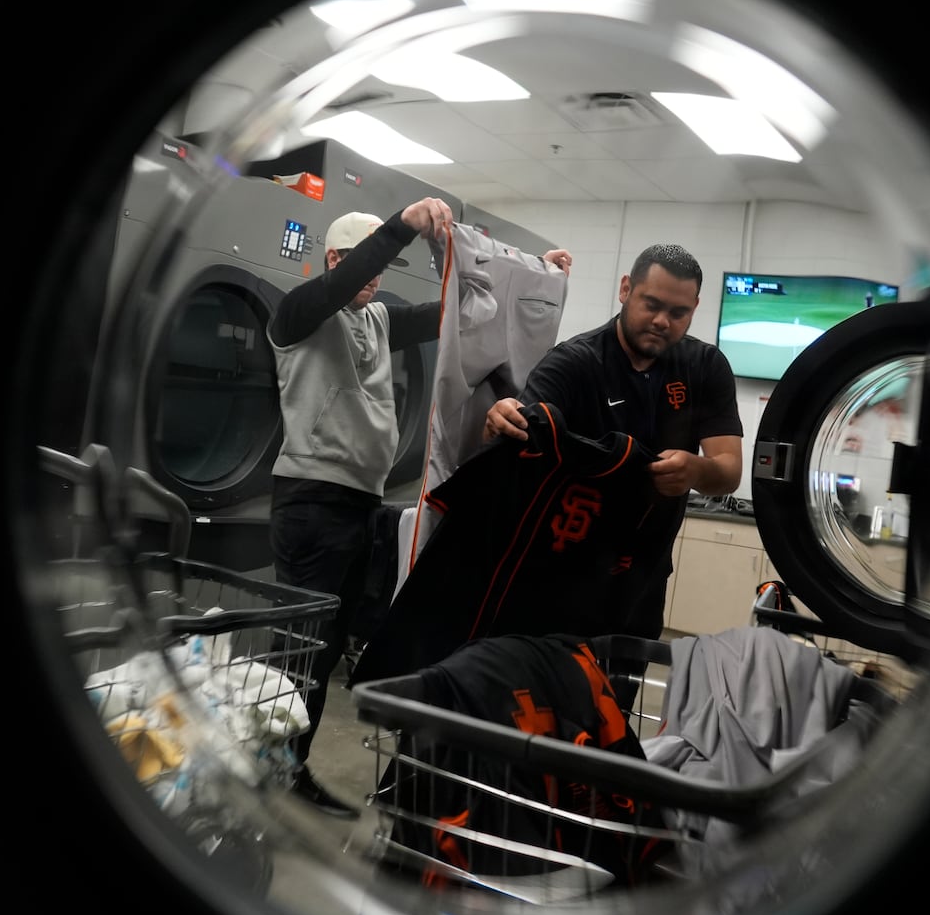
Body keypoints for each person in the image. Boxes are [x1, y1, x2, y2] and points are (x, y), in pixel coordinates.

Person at [268, 197, 570, 818]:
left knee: (323, 650)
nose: (372, 279)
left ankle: (288, 768)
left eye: (375, 271)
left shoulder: (379, 319)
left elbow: (458, 315)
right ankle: (268, 770)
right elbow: (343, 284)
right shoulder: (298, 316)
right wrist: (400, 229)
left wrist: (531, 276)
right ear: (333, 260)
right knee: (299, 645)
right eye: (359, 266)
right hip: (310, 500)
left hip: (361, 503)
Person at [482, 243, 744, 643]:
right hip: (560, 575)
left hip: (643, 577)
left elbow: (728, 471)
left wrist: (696, 469)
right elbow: (521, 430)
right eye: (651, 304)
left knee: (614, 700)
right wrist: (504, 418)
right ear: (626, 289)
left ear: (694, 308)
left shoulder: (705, 368)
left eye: (678, 313)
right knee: (548, 694)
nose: (661, 321)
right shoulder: (574, 362)